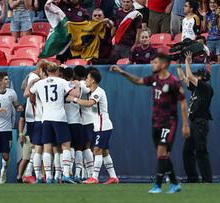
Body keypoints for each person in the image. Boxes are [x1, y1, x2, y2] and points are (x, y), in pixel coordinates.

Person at [111, 53, 190, 194]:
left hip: (169, 122)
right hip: (156, 122)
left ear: (164, 65)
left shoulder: (173, 82)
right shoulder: (154, 78)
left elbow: (183, 103)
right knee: (163, 155)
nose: (152, 64)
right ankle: (174, 183)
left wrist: (185, 125)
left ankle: (158, 185)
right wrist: (122, 72)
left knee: (161, 152)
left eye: (156, 62)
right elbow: (139, 81)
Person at [25, 62, 80, 184]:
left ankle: (48, 176)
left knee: (47, 147)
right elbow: (75, 94)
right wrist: (75, 84)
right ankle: (65, 174)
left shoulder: (40, 83)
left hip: (46, 117)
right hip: (59, 116)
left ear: (47, 71)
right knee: (65, 145)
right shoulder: (62, 81)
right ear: (57, 71)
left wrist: (31, 83)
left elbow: (27, 94)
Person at [68, 69, 119, 184]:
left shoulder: (98, 92)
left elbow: (90, 103)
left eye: (87, 78)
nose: (85, 80)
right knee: (104, 152)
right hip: (99, 126)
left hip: (103, 126)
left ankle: (94, 177)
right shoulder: (92, 91)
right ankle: (113, 177)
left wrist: (74, 99)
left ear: (93, 81)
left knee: (97, 150)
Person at [177, 52, 213, 183]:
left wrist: (188, 62)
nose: (196, 76)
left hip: (201, 123)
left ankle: (207, 179)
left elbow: (190, 77)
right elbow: (184, 79)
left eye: (199, 75)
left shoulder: (206, 88)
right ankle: (192, 178)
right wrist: (179, 66)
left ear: (202, 78)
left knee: (200, 151)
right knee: (187, 152)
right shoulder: (196, 90)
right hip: (194, 123)